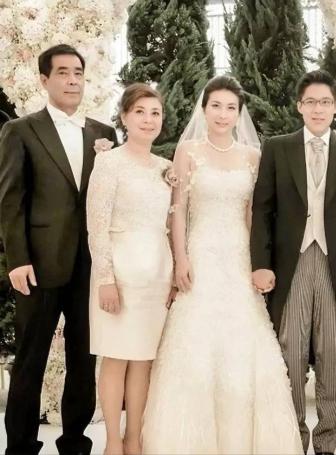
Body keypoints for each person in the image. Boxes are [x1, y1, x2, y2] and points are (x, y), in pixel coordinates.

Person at [141, 76, 303, 454]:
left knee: (243, 342)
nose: (223, 114)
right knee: (195, 342)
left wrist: (258, 263)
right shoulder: (189, 151)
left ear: (239, 113)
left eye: (231, 107)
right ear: (204, 108)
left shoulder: (252, 156)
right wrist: (181, 258)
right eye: (216, 105)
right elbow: (178, 209)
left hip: (239, 258)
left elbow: (254, 215)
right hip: (199, 255)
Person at [0, 44, 117, 455]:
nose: (72, 80)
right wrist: (18, 260)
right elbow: (10, 199)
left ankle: (75, 443)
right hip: (38, 265)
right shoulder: (21, 130)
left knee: (83, 359)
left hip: (90, 267)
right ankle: (20, 446)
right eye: (63, 73)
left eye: (78, 73)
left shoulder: (104, 133)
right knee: (29, 359)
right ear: (45, 80)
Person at [250, 69, 336, 455]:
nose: (318, 109)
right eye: (311, 102)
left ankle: (326, 441)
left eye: (325, 102)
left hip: (334, 266)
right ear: (299, 106)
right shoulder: (277, 148)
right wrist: (261, 262)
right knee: (291, 350)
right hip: (292, 262)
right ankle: (294, 435)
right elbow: (262, 209)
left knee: (332, 349)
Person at [87, 83, 174, 455]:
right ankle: (112, 441)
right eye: (140, 112)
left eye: (155, 113)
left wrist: (173, 276)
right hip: (120, 275)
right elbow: (97, 225)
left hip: (157, 275)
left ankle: (134, 437)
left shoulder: (166, 169)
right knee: (116, 357)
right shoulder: (109, 163)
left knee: (144, 360)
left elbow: (172, 225)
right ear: (124, 117)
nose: (148, 120)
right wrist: (106, 279)